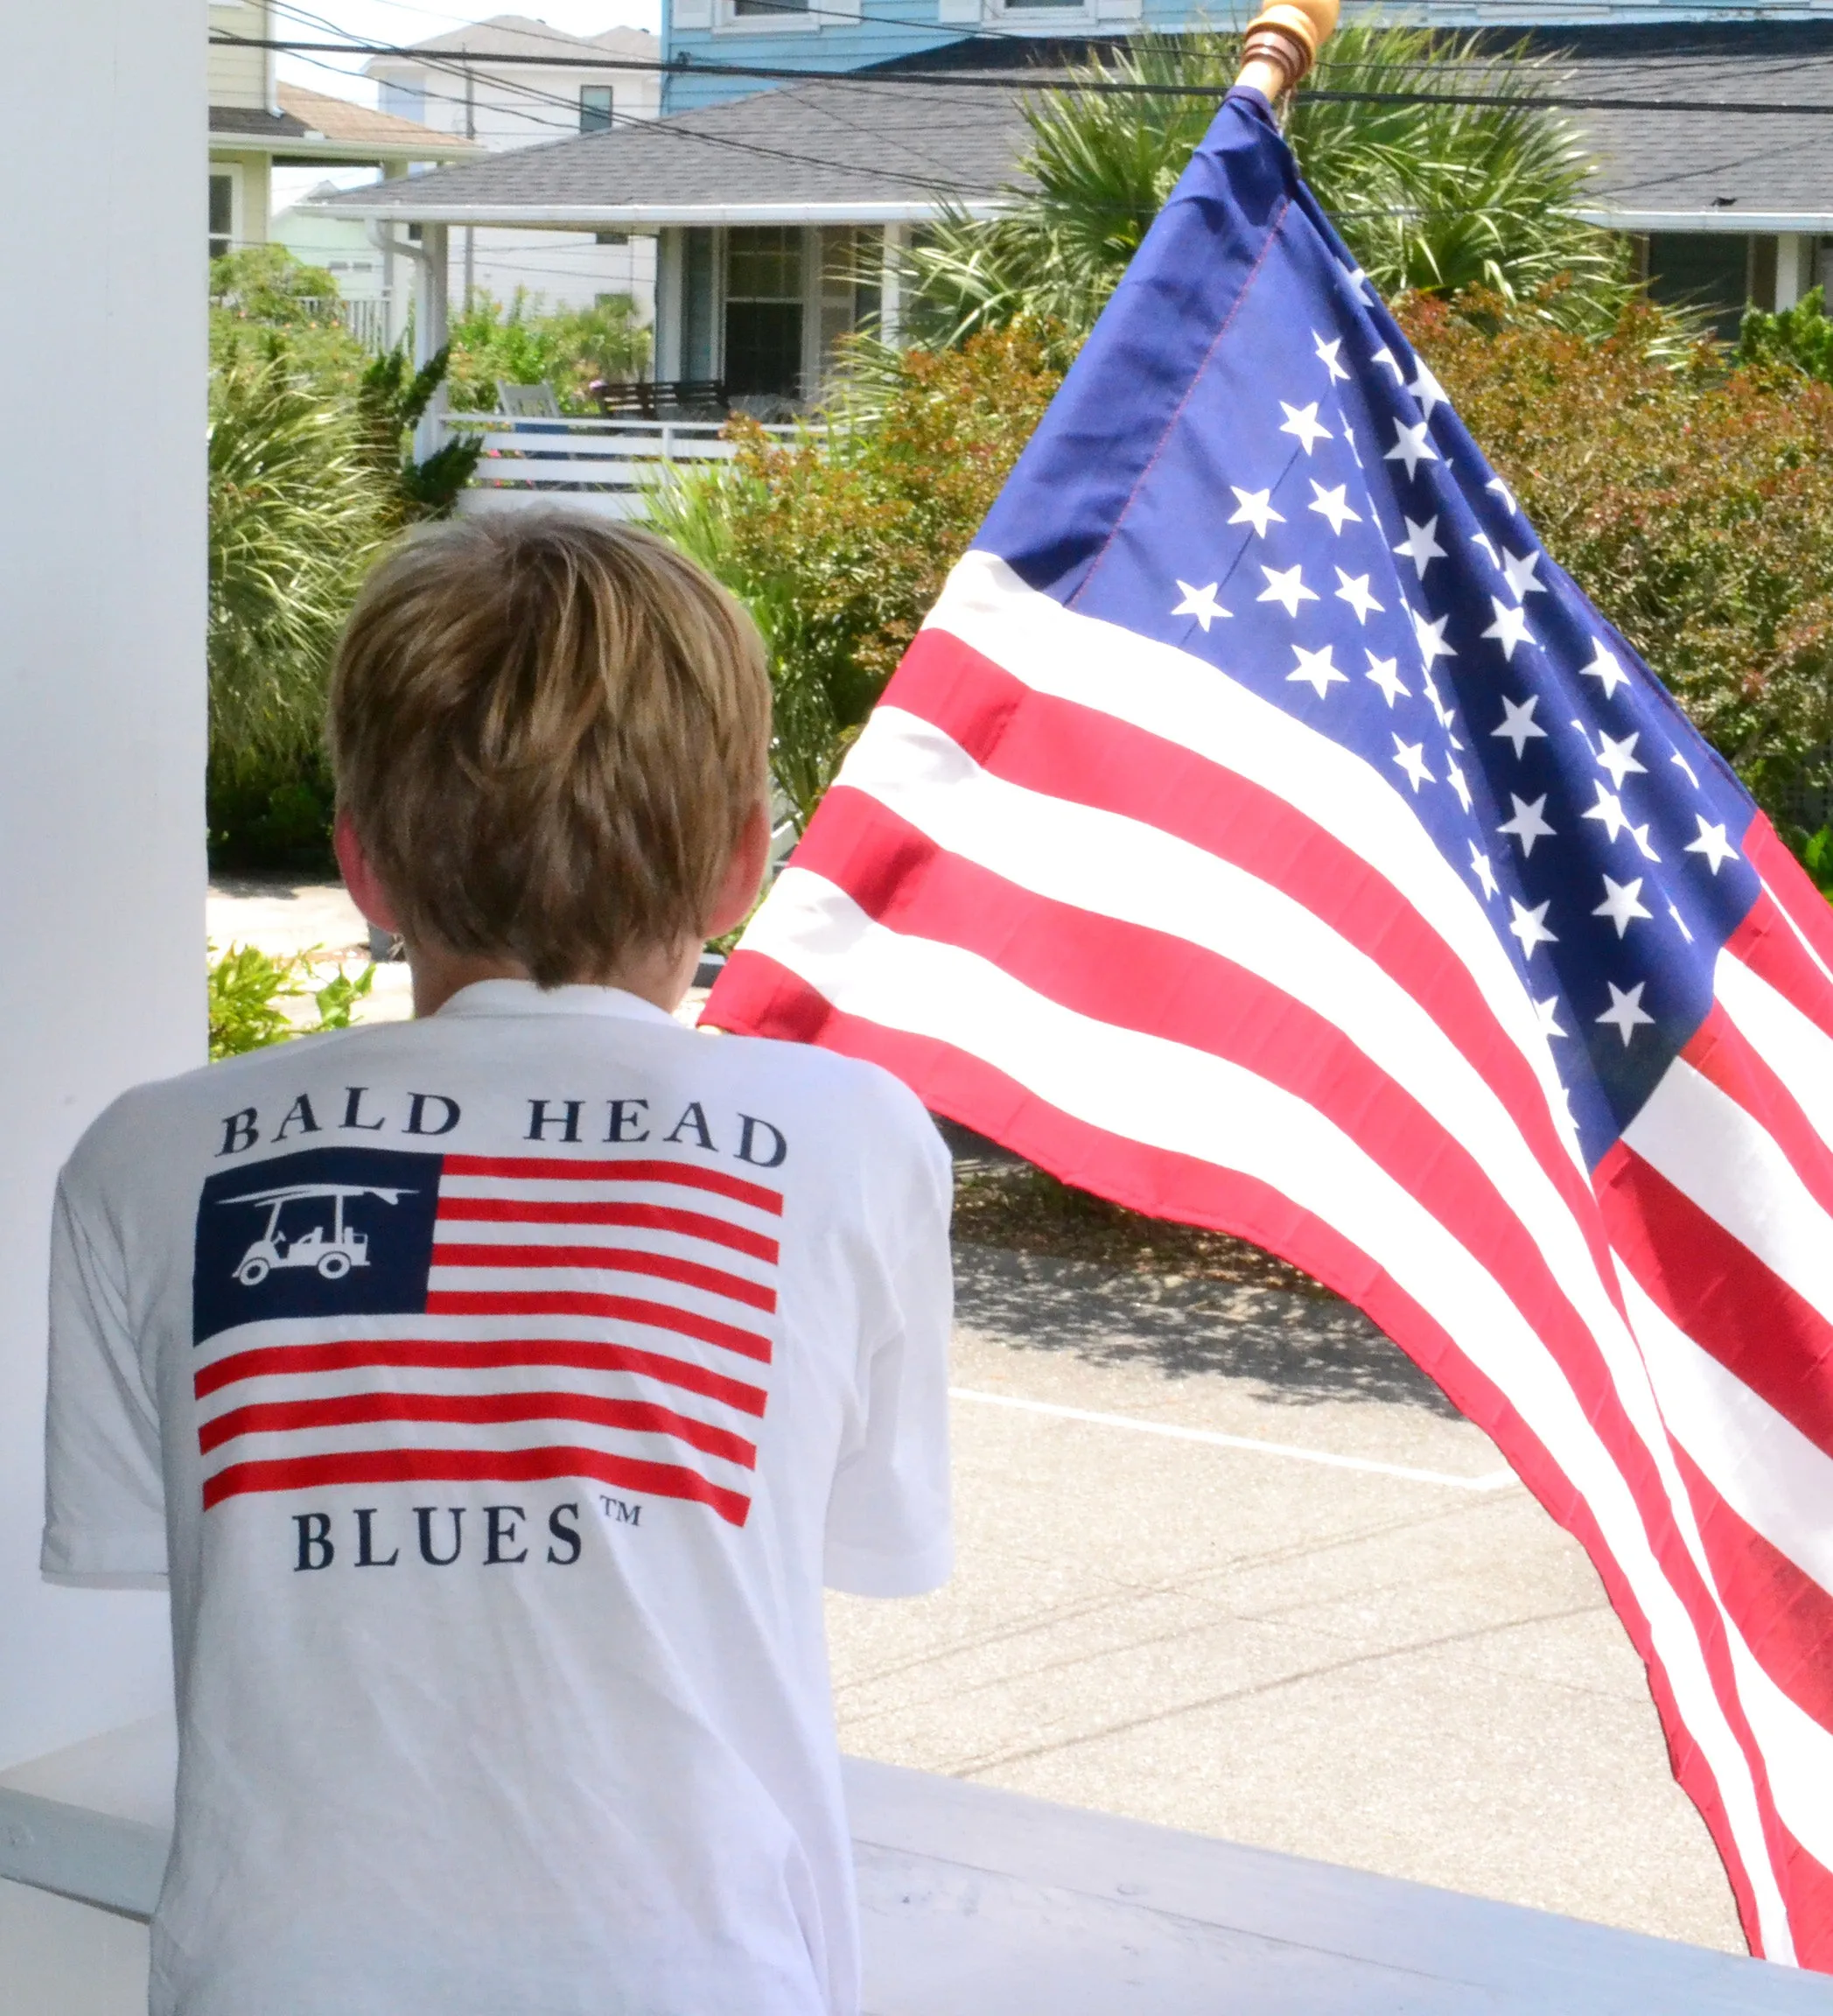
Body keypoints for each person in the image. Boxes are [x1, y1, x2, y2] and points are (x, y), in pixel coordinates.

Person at [41, 513, 954, 2016]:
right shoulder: (850, 1138)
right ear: (741, 861)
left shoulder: (145, 1159)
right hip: (701, 1974)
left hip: (277, 1978)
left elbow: (150, 1550)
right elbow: (867, 1539)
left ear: (361, 867)